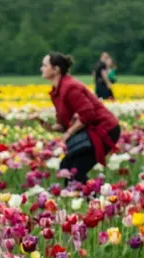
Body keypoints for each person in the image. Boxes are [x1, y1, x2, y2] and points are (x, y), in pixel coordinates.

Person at [41, 51, 121, 184]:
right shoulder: (57, 91)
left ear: (56, 69)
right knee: (66, 169)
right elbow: (63, 124)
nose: (41, 68)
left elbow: (88, 114)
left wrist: (70, 132)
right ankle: (88, 198)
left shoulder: (70, 87)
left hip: (105, 129)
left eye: (44, 65)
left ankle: (97, 200)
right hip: (91, 130)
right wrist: (46, 125)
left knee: (75, 172)